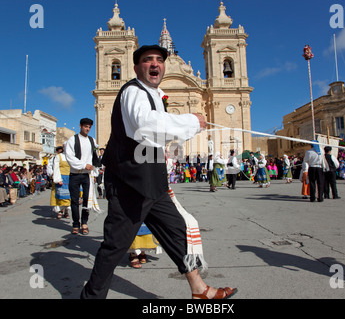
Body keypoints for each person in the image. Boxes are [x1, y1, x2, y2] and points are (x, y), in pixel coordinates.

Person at [81, 45, 237, 300]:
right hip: (130, 184)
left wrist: (162, 179)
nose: (155, 64)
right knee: (115, 245)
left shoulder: (154, 95)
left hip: (153, 184)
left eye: (159, 60)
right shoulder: (133, 91)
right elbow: (145, 126)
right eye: (147, 60)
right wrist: (191, 122)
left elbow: (153, 143)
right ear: (136, 67)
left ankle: (200, 290)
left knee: (177, 231)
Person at [65, 118, 100, 235]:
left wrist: (94, 172)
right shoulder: (72, 140)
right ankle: (76, 223)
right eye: (86, 126)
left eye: (89, 127)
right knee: (74, 200)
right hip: (75, 174)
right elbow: (69, 157)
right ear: (80, 126)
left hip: (87, 175)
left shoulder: (92, 141)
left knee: (86, 199)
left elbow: (95, 156)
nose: (88, 129)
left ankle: (84, 223)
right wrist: (84, 165)